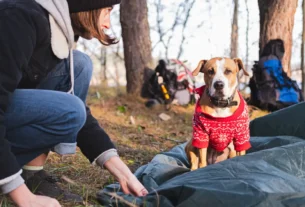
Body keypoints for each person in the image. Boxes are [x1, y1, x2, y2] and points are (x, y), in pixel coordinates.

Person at [0, 0, 149, 206]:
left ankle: (31, 174)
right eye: (107, 11)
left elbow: (80, 115)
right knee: (70, 111)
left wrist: (117, 166)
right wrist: (23, 197)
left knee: (79, 65)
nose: (107, 24)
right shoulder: (18, 16)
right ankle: (9, 175)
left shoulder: (54, 28)